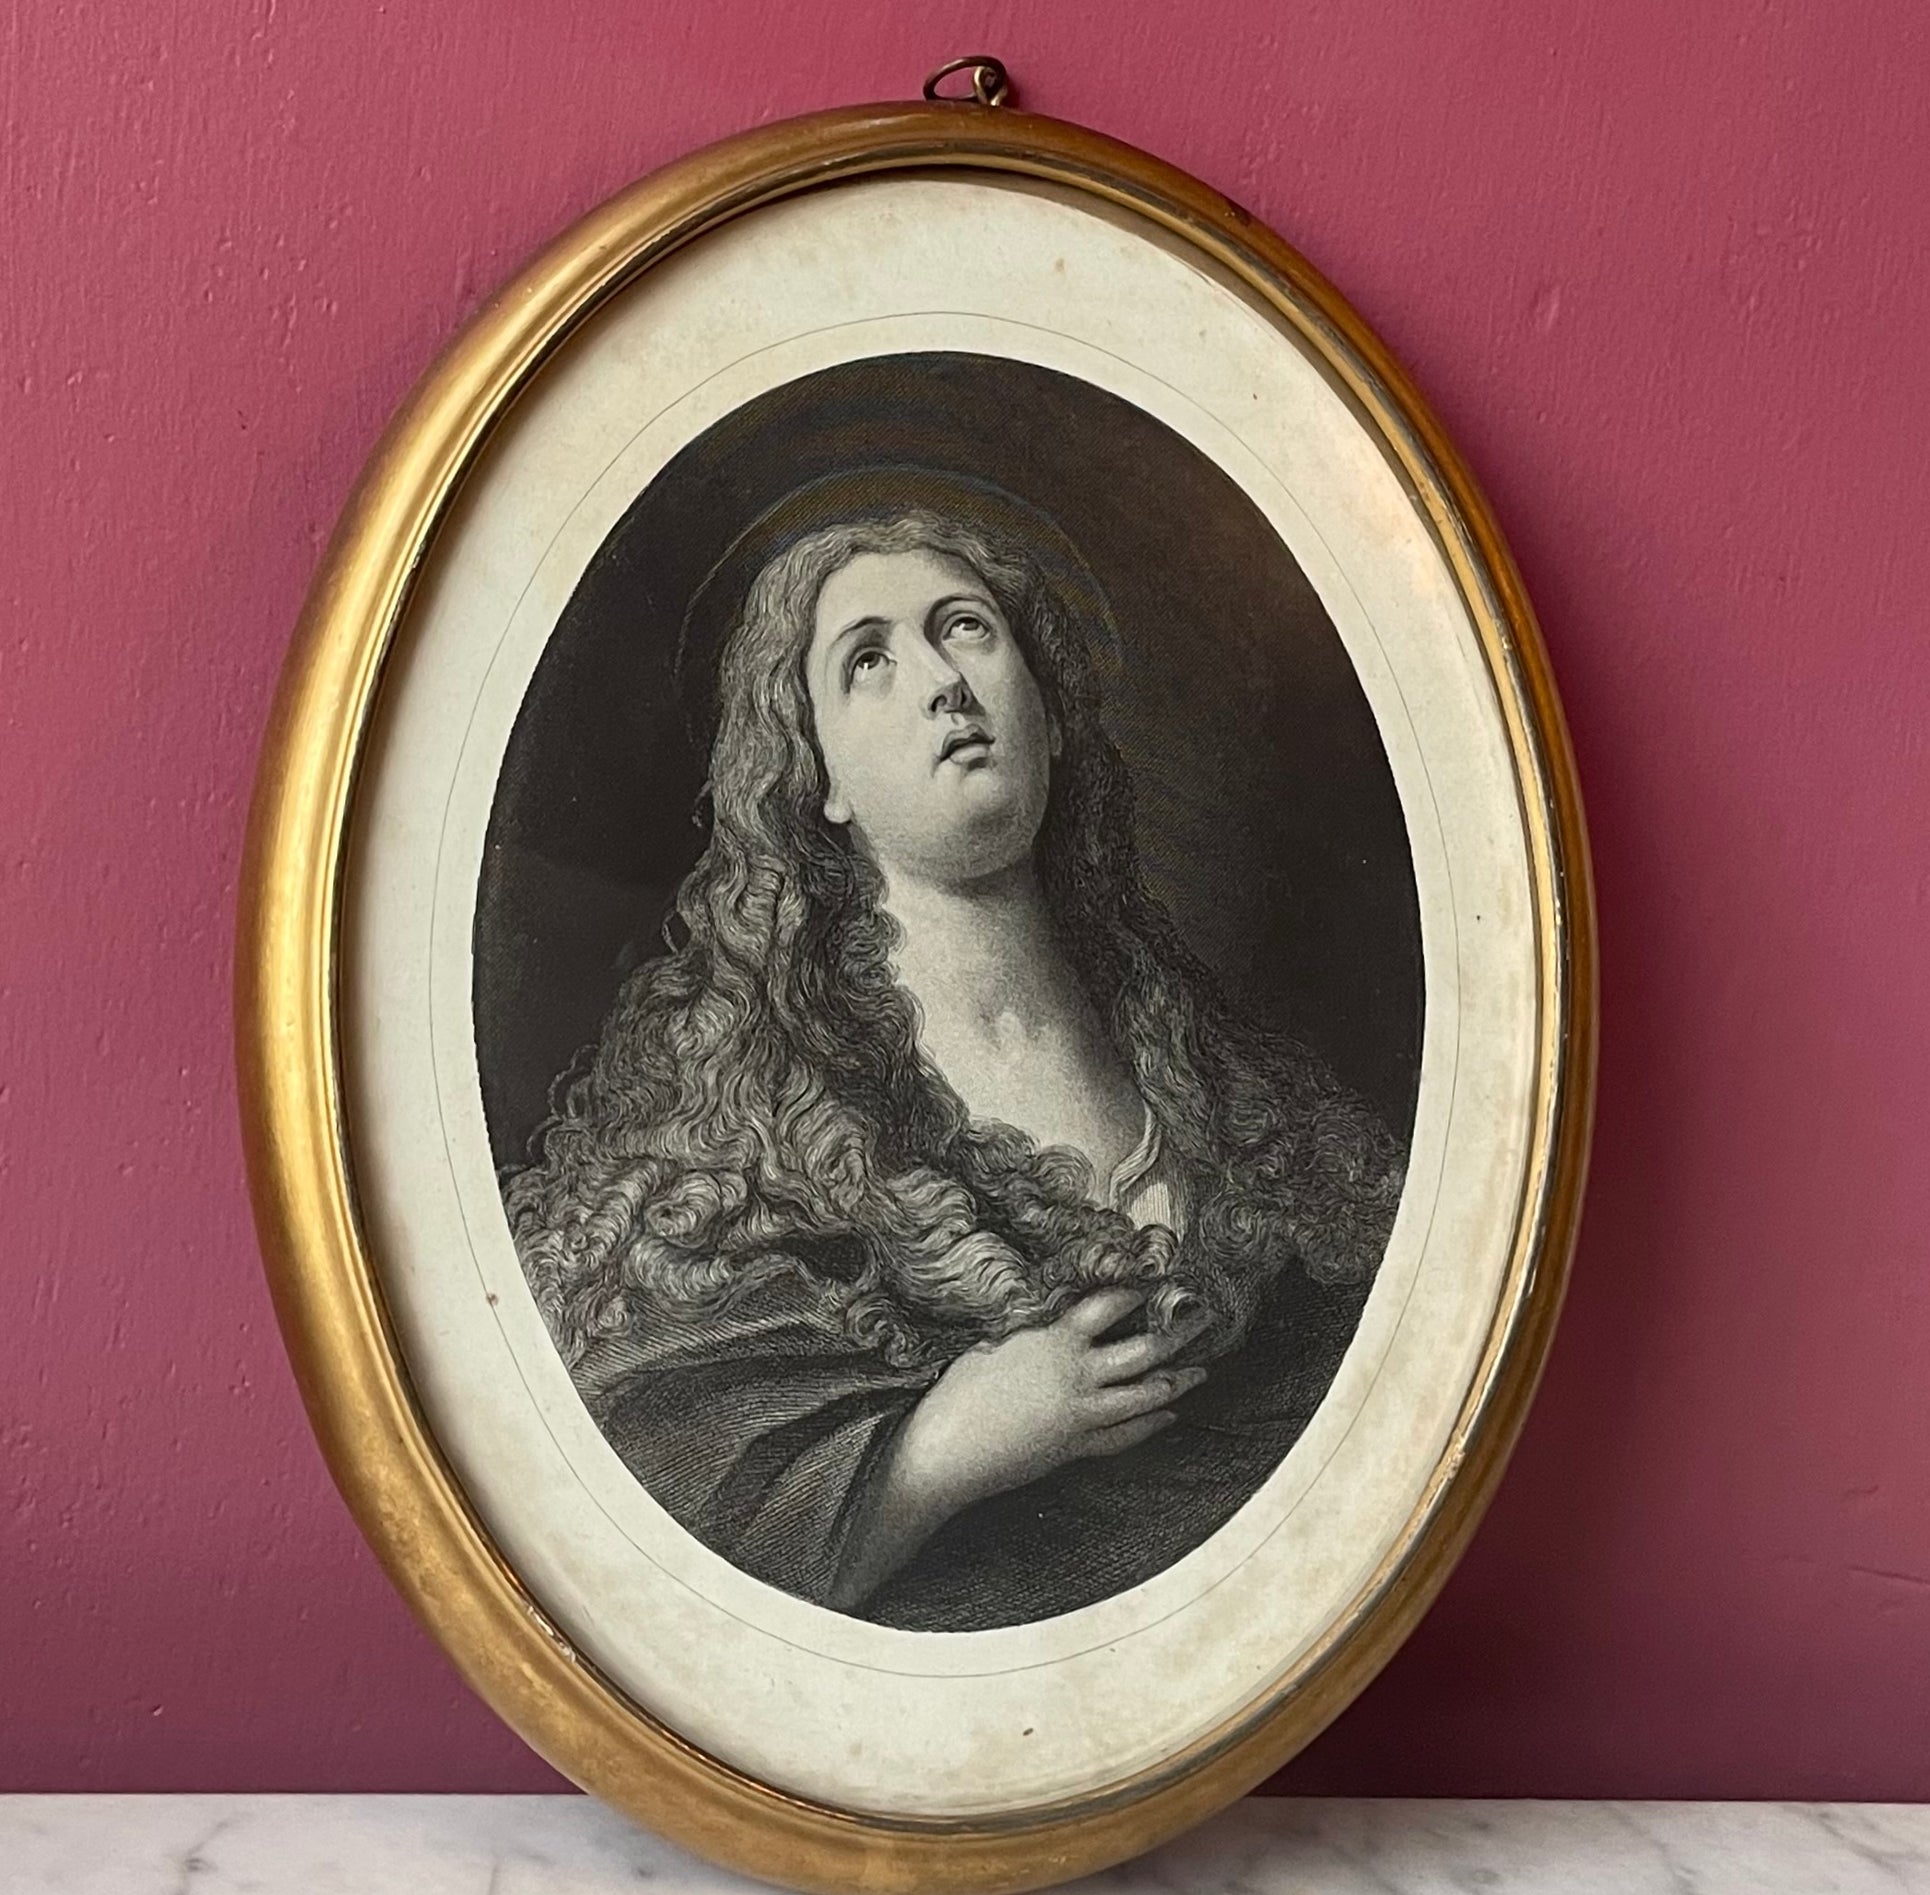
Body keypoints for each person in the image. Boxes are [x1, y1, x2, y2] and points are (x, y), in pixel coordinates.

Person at [503, 471, 1404, 1630]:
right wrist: (938, 1449)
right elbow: (654, 1554)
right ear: (816, 773)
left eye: (965, 628)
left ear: (1045, 708)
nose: (941, 681)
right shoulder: (734, 1134)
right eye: (868, 660)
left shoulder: (1219, 1075)